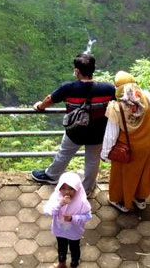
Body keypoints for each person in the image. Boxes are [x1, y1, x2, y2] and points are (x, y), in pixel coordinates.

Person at [30, 53, 117, 195]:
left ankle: (52, 176)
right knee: (93, 161)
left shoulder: (67, 88)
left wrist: (40, 107)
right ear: (93, 69)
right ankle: (88, 189)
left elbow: (49, 99)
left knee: (64, 154)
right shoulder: (108, 89)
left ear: (77, 71)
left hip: (75, 131)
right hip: (98, 132)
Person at [100, 72, 150, 212]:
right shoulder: (146, 96)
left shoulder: (115, 107)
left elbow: (111, 134)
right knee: (142, 172)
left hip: (127, 148)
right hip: (146, 144)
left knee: (124, 175)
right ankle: (140, 200)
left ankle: (122, 202)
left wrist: (104, 154)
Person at [41, 172, 92, 268]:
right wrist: (60, 204)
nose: (67, 192)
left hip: (74, 231)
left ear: (77, 189)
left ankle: (74, 264)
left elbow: (88, 216)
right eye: (63, 188)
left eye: (71, 189)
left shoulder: (81, 202)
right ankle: (62, 263)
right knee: (61, 247)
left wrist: (73, 218)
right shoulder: (57, 197)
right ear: (59, 188)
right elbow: (47, 211)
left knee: (74, 248)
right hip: (60, 230)